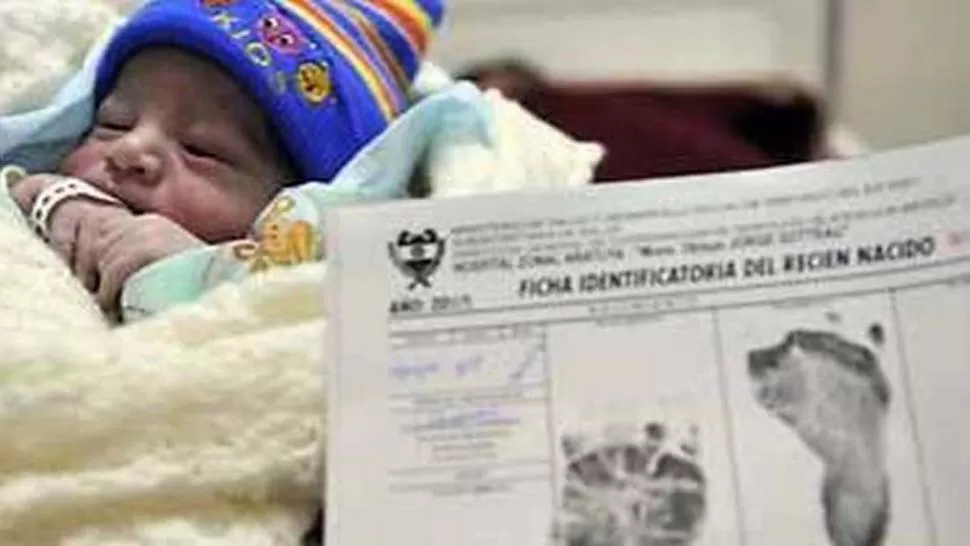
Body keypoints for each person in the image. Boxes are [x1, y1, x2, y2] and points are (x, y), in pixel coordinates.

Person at [0, 0, 445, 322]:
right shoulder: (51, 199)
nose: (129, 150)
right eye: (113, 124)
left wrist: (204, 273)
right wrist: (48, 197)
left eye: (201, 150)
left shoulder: (313, 289)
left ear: (288, 207)